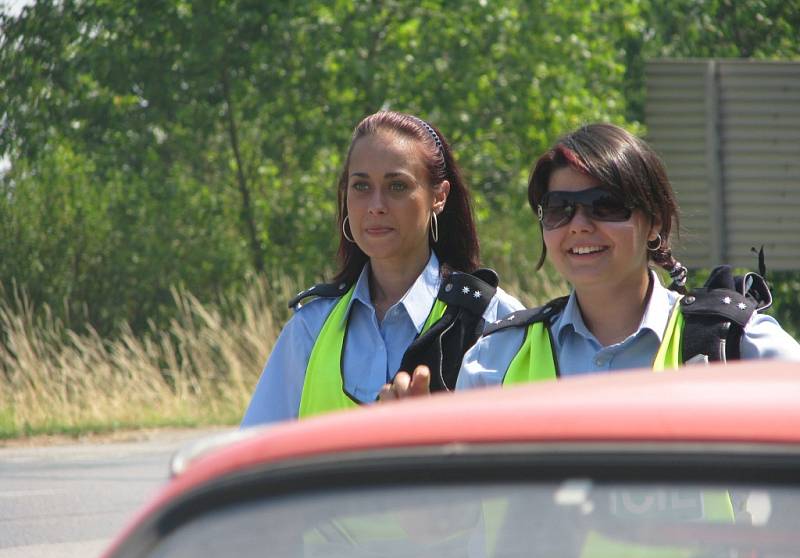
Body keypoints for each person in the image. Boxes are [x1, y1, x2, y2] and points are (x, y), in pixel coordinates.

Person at [455, 122, 800, 390]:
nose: (579, 225)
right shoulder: (493, 361)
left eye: (605, 205)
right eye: (560, 208)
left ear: (655, 223)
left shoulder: (737, 345)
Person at [241, 110, 523, 426]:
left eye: (397, 186)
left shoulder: (494, 322)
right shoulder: (310, 328)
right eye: (361, 187)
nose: (376, 205)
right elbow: (255, 455)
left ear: (439, 197)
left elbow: (527, 461)